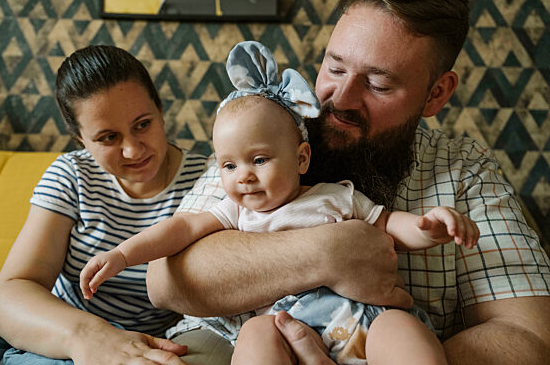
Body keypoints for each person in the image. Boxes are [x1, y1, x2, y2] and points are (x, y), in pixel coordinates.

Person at [145, 0, 550, 364]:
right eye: (335, 68)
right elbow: (165, 281)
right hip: (234, 340)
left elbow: (528, 336)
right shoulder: (267, 134)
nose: (341, 98)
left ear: (436, 94)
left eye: (378, 84)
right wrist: (329, 252)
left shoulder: (464, 171)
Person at [80, 41, 479, 364]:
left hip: (362, 321)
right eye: (229, 165)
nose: (244, 176)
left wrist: (430, 226)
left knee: (403, 331)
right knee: (253, 336)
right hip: (284, 328)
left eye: (259, 160)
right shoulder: (236, 211)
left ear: (301, 158)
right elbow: (180, 230)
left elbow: (389, 224)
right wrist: (123, 254)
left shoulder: (334, 196)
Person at [0, 45, 236, 365]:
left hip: (145, 340)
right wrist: (90, 336)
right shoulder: (71, 174)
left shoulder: (211, 179)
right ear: (79, 139)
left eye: (143, 124)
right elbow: (13, 291)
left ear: (160, 109)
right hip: (54, 321)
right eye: (108, 138)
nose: (132, 150)